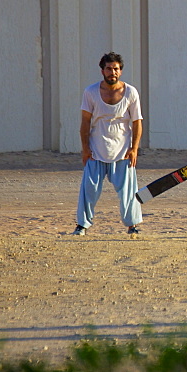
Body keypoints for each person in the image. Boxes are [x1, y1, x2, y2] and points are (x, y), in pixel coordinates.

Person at [73, 52, 143, 236]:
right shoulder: (91, 92)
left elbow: (137, 122)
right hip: (96, 150)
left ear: (121, 71)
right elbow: (85, 122)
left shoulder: (130, 92)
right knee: (89, 189)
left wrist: (134, 148)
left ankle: (132, 225)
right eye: (109, 69)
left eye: (116, 69)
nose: (113, 72)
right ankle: (82, 225)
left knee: (128, 191)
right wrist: (85, 149)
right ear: (102, 70)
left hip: (123, 151)